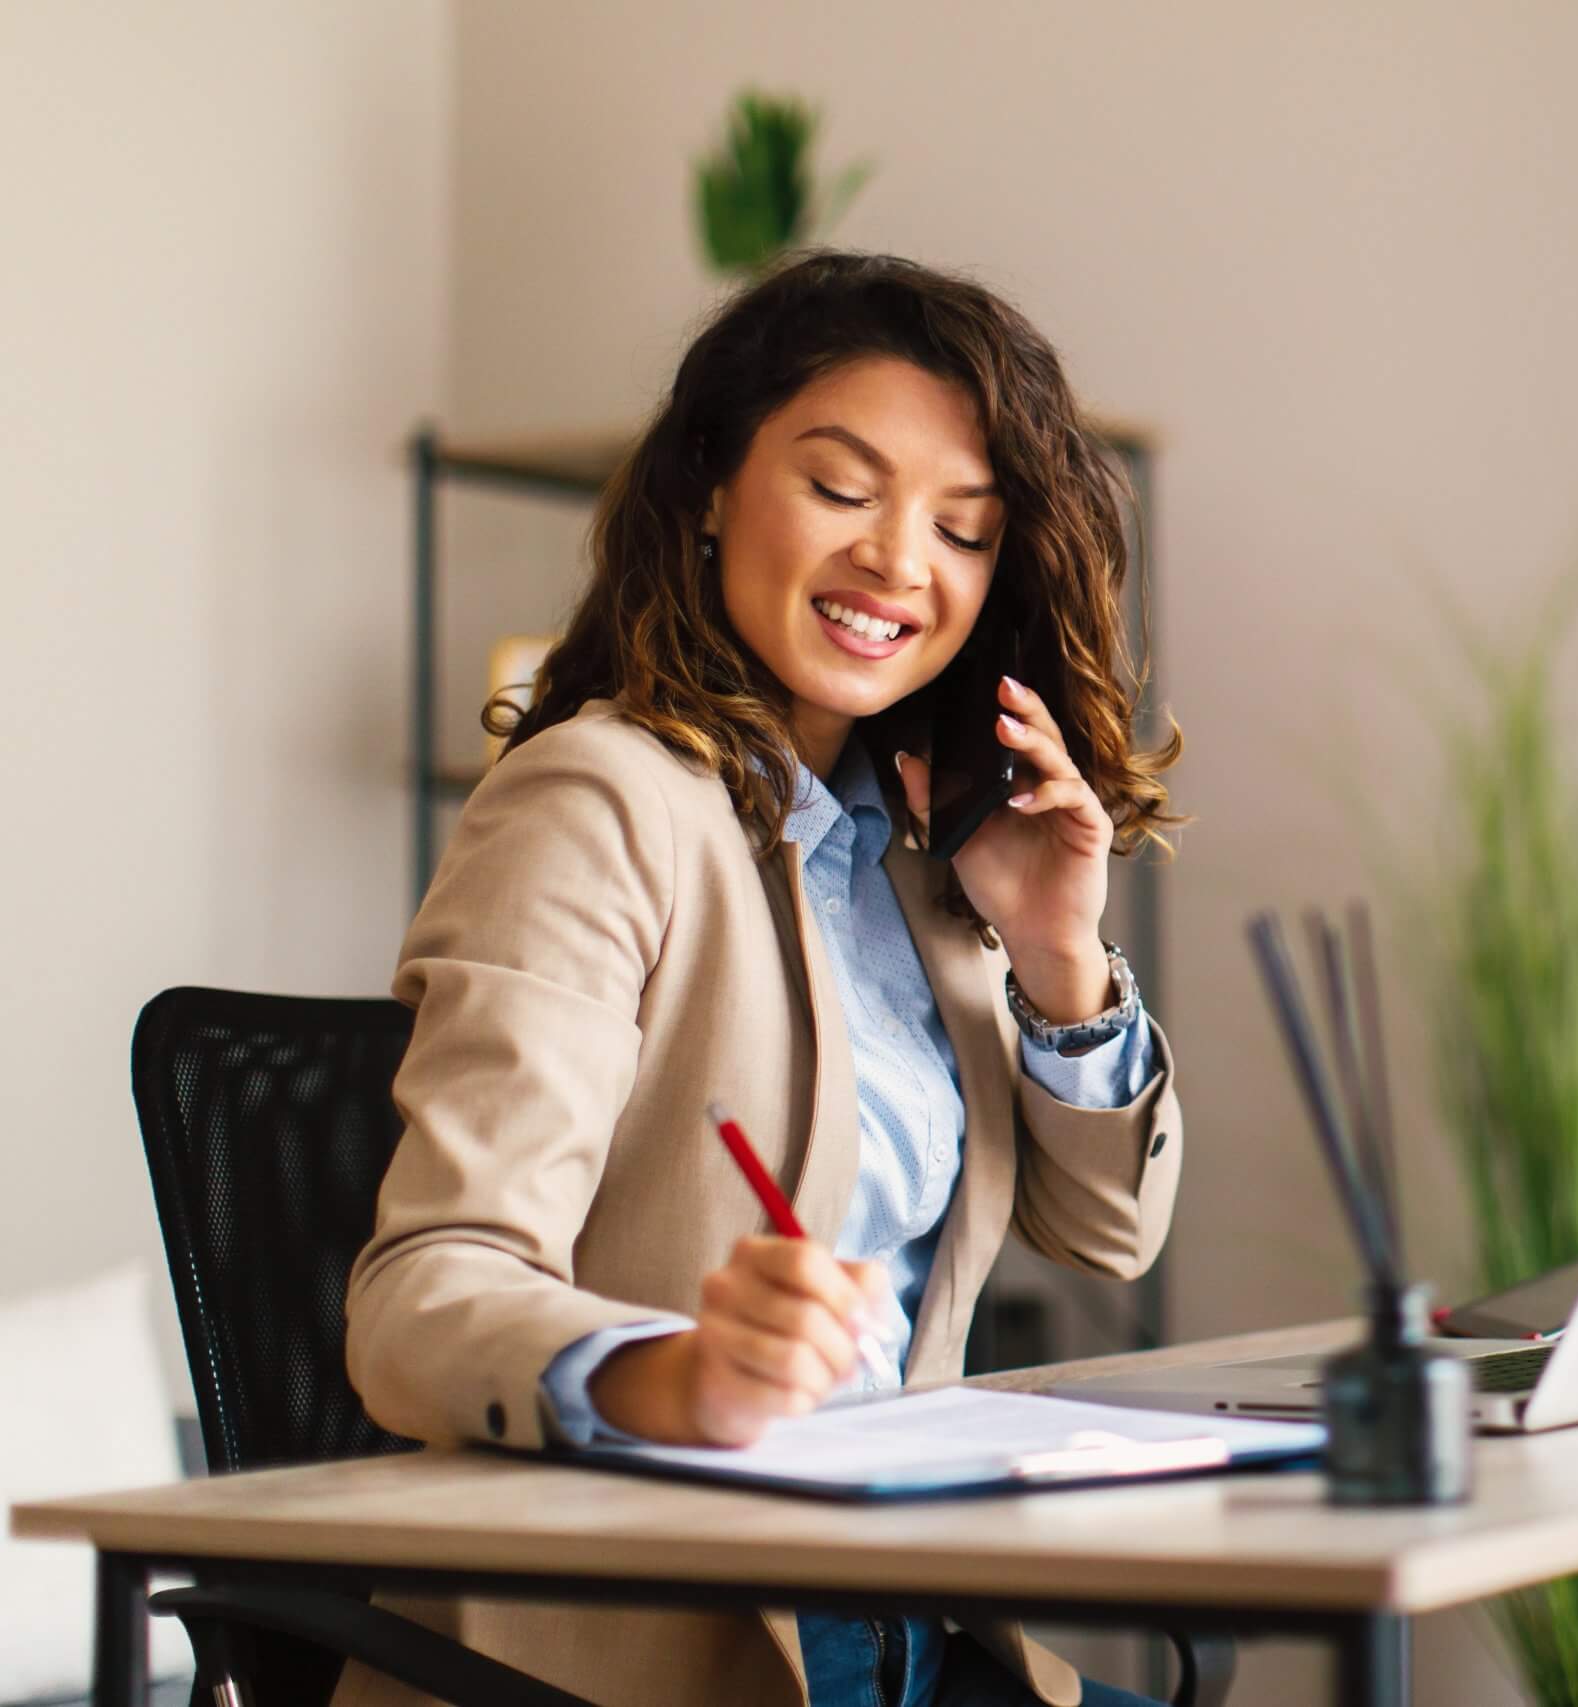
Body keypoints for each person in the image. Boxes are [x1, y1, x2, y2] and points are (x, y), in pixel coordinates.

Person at [340, 251, 1184, 1707]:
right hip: (673, 1637)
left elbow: (1108, 1231)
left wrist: (1058, 957)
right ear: (715, 484)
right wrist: (677, 1378)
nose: (898, 563)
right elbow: (423, 1295)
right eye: (842, 490)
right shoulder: (595, 802)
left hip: (916, 1604)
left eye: (963, 530)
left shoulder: (919, 853)